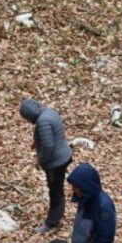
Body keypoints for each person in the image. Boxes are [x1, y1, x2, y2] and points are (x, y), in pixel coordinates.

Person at [19, 99, 73, 234]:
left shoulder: (42, 121)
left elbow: (48, 146)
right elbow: (51, 135)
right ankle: (57, 215)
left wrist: (40, 160)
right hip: (64, 155)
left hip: (56, 162)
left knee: (55, 191)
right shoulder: (49, 112)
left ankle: (51, 223)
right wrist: (37, 142)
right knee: (57, 189)